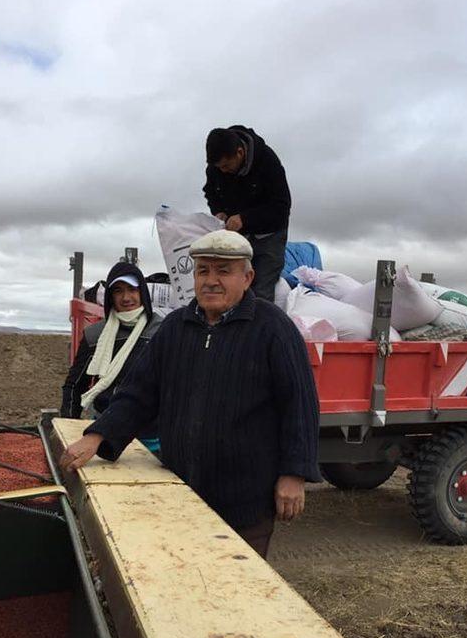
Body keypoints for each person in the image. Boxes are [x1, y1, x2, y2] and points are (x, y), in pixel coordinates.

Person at [60, 230, 320, 558]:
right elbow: (138, 394)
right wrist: (98, 436)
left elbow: (300, 406)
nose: (211, 281)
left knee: (237, 587)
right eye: (203, 271)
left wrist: (294, 474)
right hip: (182, 492)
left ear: (248, 277)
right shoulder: (175, 329)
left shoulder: (273, 329)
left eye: (223, 271)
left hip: (246, 502)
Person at [60, 262, 163, 450]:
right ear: (110, 297)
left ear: (143, 292)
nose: (126, 297)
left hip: (151, 438)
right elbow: (74, 386)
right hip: (103, 434)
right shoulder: (95, 335)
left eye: (132, 289)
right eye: (118, 291)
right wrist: (68, 428)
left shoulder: (162, 331)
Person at [203, 125, 291, 303]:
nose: (223, 171)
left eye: (226, 166)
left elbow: (281, 207)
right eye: (219, 167)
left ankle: (260, 329)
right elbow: (210, 192)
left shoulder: (268, 162)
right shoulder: (215, 167)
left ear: (240, 153)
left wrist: (245, 218)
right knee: (231, 287)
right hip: (236, 236)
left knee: (260, 293)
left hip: (269, 236)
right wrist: (218, 211)